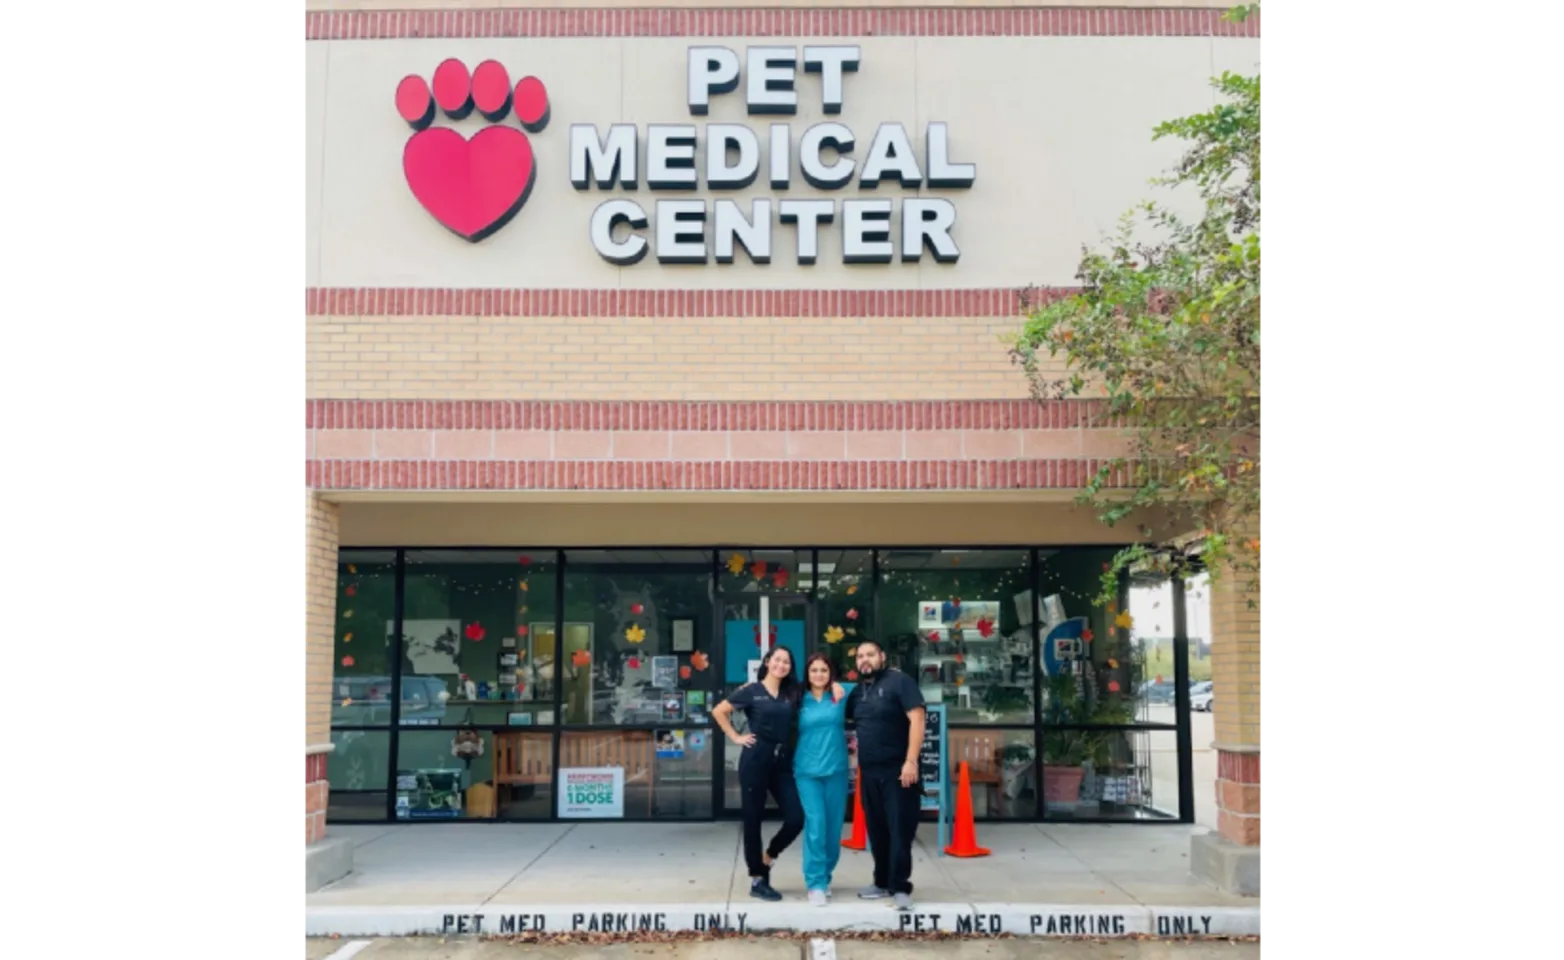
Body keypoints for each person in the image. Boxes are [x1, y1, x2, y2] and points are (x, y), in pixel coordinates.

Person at [711, 646, 806, 902]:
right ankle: (757, 879)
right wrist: (735, 737)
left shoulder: (792, 692)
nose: (781, 665)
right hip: (756, 758)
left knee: (796, 818)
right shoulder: (751, 690)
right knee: (753, 820)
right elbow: (719, 711)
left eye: (786, 661)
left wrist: (839, 688)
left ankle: (768, 858)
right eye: (777, 660)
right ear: (767, 662)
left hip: (783, 761)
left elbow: (822, 686)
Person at [844, 638, 925, 912]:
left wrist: (911, 761)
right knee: (877, 831)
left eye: (870, 654)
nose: (864, 659)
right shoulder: (857, 693)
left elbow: (918, 719)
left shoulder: (900, 682)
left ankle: (900, 886)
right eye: (859, 656)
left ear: (882, 656)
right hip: (870, 773)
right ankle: (881, 882)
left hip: (899, 771)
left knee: (900, 831)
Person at [793, 653, 850, 906]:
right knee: (816, 825)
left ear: (831, 674)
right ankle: (815, 883)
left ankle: (825, 876)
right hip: (807, 771)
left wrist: (840, 687)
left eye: (824, 670)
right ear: (807, 673)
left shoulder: (841, 694)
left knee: (833, 828)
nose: (818, 674)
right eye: (814, 670)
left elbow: (870, 687)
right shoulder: (797, 698)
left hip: (836, 770)